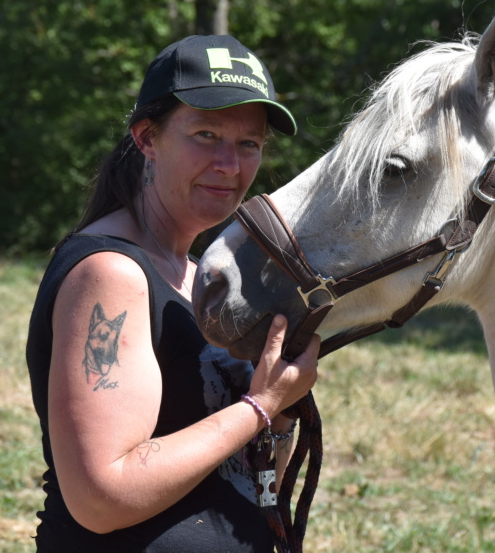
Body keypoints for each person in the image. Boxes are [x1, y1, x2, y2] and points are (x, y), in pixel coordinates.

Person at [25, 35, 320, 551]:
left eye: (248, 143)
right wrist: (261, 404)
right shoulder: (111, 275)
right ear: (147, 138)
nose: (230, 164)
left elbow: (241, 467)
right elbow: (101, 495)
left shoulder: (201, 276)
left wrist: (281, 413)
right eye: (206, 134)